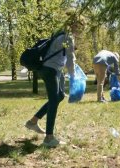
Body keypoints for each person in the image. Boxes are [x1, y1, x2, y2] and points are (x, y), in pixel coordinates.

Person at [24, 17, 81, 147]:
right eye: (79, 27)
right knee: (54, 100)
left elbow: (63, 53)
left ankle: (33, 122)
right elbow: (70, 58)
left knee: (59, 96)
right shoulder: (68, 37)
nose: (80, 30)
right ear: (74, 26)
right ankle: (49, 138)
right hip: (51, 70)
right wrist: (73, 77)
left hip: (46, 69)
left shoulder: (59, 34)